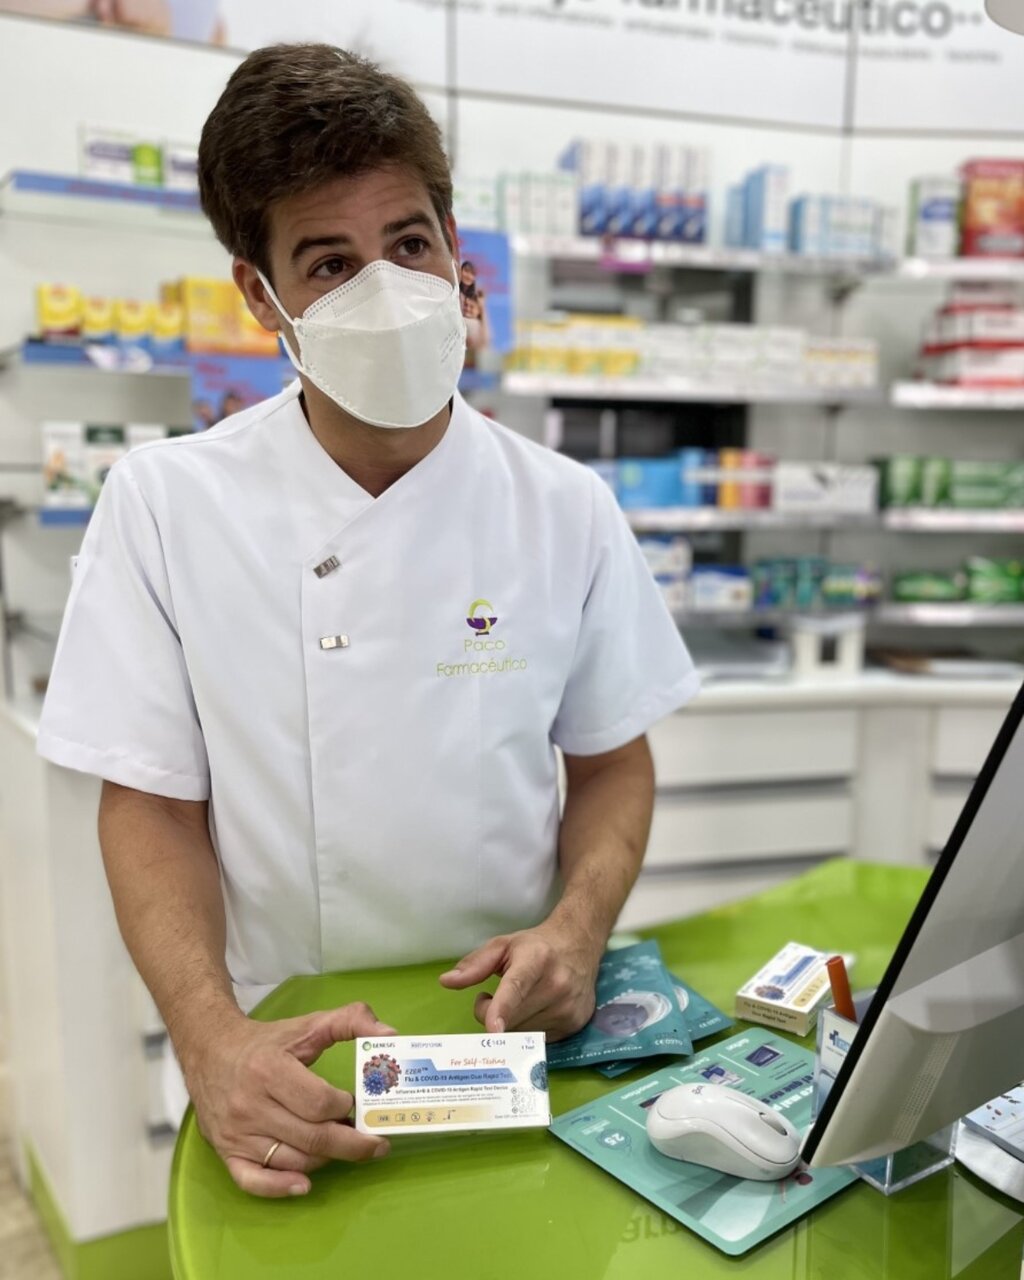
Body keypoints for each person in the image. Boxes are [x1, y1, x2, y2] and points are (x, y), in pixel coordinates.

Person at [37, 43, 699, 1199]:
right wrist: (208, 1035)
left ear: (455, 251)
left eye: (406, 244)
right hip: (285, 1048)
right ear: (261, 297)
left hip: (497, 1039)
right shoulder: (170, 503)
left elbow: (609, 765)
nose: (384, 291)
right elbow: (146, 804)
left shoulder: (563, 505)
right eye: (330, 262)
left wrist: (579, 928)